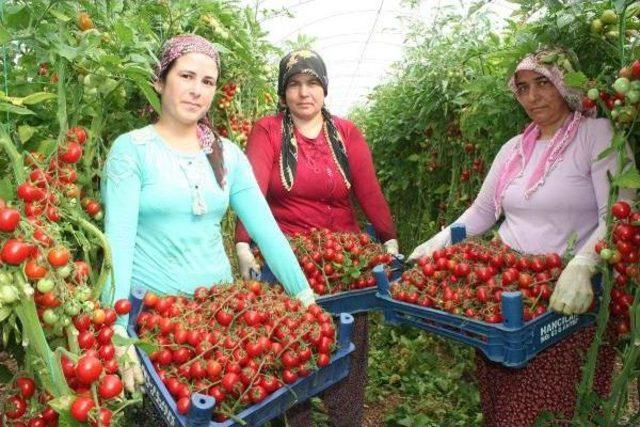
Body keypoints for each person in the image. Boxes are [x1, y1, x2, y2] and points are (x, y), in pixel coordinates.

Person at [408, 46, 630, 426]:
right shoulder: (514, 149)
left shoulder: (597, 135)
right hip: (507, 289)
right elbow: (482, 212)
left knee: (556, 405)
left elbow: (619, 213)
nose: (532, 96)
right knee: (504, 401)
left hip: (565, 297)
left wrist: (583, 265)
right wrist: (439, 241)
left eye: (542, 83)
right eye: (523, 87)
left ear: (565, 83)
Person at [101, 35, 315, 393]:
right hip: (158, 323)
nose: (196, 90)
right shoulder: (132, 150)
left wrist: (303, 293)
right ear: (159, 80)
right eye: (186, 76)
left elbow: (267, 231)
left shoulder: (227, 154)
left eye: (207, 82)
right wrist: (118, 327)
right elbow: (117, 244)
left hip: (221, 315)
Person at [234, 49, 398, 426]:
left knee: (348, 348)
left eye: (312, 83)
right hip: (286, 260)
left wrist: (388, 238)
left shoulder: (345, 133)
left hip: (343, 263)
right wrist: (244, 241)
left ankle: (345, 417)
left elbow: (369, 191)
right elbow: (252, 192)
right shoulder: (268, 131)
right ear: (283, 91)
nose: (304, 92)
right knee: (292, 352)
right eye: (294, 84)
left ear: (324, 88)